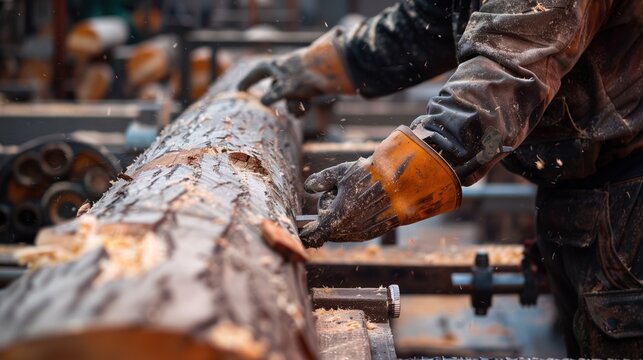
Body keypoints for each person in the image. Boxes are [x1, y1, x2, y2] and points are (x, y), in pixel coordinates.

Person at [238, 0, 643, 357]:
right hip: (577, 195)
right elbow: (423, 26)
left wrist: (391, 180)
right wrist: (330, 63)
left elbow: (504, 70)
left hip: (629, 202)